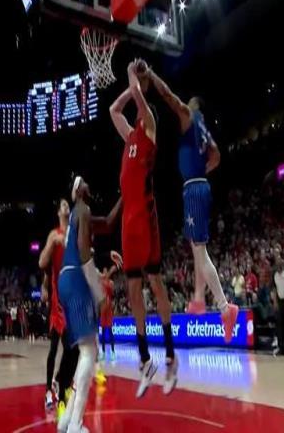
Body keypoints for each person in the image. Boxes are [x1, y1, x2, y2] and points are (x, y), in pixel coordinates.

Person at [145, 66, 238, 341]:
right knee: (197, 248)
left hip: (194, 188)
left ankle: (225, 307)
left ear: (194, 106)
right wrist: (202, 169)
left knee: (199, 250)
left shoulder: (189, 116)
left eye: (189, 103)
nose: (185, 105)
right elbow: (217, 156)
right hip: (199, 185)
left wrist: (151, 75)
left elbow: (169, 96)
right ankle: (198, 298)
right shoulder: (205, 130)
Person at [110, 60, 178, 398]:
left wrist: (133, 77)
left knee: (155, 281)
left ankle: (170, 354)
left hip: (146, 217)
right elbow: (113, 110)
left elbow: (138, 97)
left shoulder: (149, 125)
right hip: (128, 221)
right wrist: (130, 85)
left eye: (140, 103)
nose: (137, 106)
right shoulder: (129, 137)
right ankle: (145, 359)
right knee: (133, 289)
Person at [57, 176, 120, 433]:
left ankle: (66, 419)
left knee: (88, 349)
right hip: (76, 277)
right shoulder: (82, 208)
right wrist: (99, 293)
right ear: (77, 191)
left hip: (67, 279)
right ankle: (75, 424)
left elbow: (107, 223)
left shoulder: (80, 214)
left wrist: (125, 197)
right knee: (89, 352)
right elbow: (84, 253)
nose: (87, 184)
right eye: (82, 182)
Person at [39, 199, 79, 411]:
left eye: (67, 204)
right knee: (54, 347)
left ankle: (60, 380)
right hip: (58, 299)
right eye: (62, 205)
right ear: (58, 212)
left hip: (73, 297)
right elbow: (42, 263)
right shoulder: (54, 234)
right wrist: (45, 286)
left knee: (73, 348)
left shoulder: (74, 233)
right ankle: (49, 390)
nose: (66, 206)